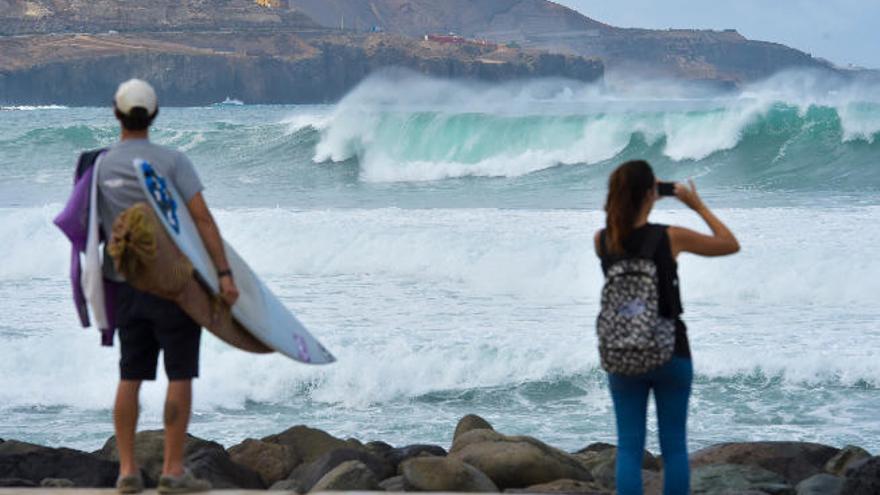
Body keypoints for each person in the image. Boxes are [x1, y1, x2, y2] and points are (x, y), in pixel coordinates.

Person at [95, 79, 240, 493]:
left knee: (130, 375)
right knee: (179, 374)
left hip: (126, 287)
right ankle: (173, 471)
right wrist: (224, 275)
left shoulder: (102, 167)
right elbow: (202, 221)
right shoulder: (173, 161)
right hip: (176, 288)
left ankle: (127, 472)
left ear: (116, 113)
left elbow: (95, 229)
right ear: (154, 115)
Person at [594, 160, 739, 495]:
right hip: (670, 351)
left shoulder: (602, 241)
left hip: (621, 352)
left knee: (629, 448)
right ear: (650, 194)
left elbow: (627, 224)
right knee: (674, 447)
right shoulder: (669, 238)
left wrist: (646, 194)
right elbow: (729, 243)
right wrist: (694, 203)